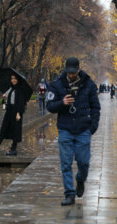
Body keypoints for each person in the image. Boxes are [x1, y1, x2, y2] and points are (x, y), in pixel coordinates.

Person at [46, 57, 101, 206]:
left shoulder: (88, 84)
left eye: (74, 73)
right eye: (69, 73)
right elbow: (49, 106)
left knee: (83, 163)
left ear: (79, 70)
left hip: (83, 129)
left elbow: (95, 107)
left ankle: (80, 179)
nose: (71, 75)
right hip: (65, 129)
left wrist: (92, 127)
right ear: (66, 70)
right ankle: (69, 194)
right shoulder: (57, 85)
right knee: (65, 163)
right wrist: (62, 103)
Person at [0, 74, 26, 156]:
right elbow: (5, 104)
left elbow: (21, 103)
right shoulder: (11, 89)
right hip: (9, 111)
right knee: (3, 128)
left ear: (18, 80)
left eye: (15, 79)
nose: (13, 80)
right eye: (12, 78)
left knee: (15, 130)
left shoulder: (20, 89)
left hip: (16, 111)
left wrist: (18, 113)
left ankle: (14, 149)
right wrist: (4, 99)